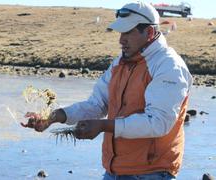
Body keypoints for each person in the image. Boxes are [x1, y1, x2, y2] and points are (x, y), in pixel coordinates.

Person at [21, 1, 192, 179]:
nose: (120, 40)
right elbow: (96, 104)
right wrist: (53, 117)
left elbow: (158, 122)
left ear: (149, 32)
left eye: (127, 32)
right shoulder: (121, 62)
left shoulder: (168, 66)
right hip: (114, 171)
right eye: (120, 32)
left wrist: (103, 126)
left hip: (153, 173)